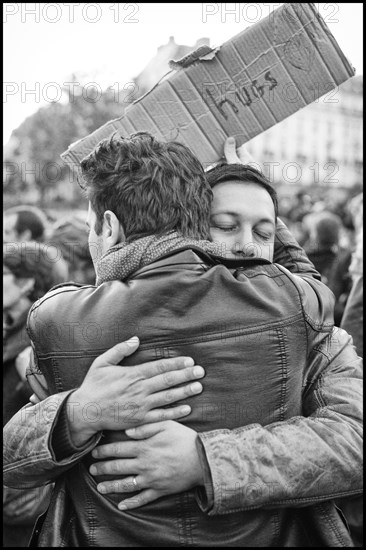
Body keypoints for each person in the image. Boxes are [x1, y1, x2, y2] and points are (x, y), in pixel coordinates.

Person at [3, 133, 361, 546]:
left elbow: (355, 440)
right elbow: (15, 459)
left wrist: (205, 459)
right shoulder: (299, 303)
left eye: (265, 232)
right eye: (224, 225)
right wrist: (76, 413)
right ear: (190, 229)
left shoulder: (59, 319)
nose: (246, 245)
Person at [3, 241, 68, 547]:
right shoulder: (12, 329)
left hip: (19, 497)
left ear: (27, 282)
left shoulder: (32, 345)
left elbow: (50, 414)